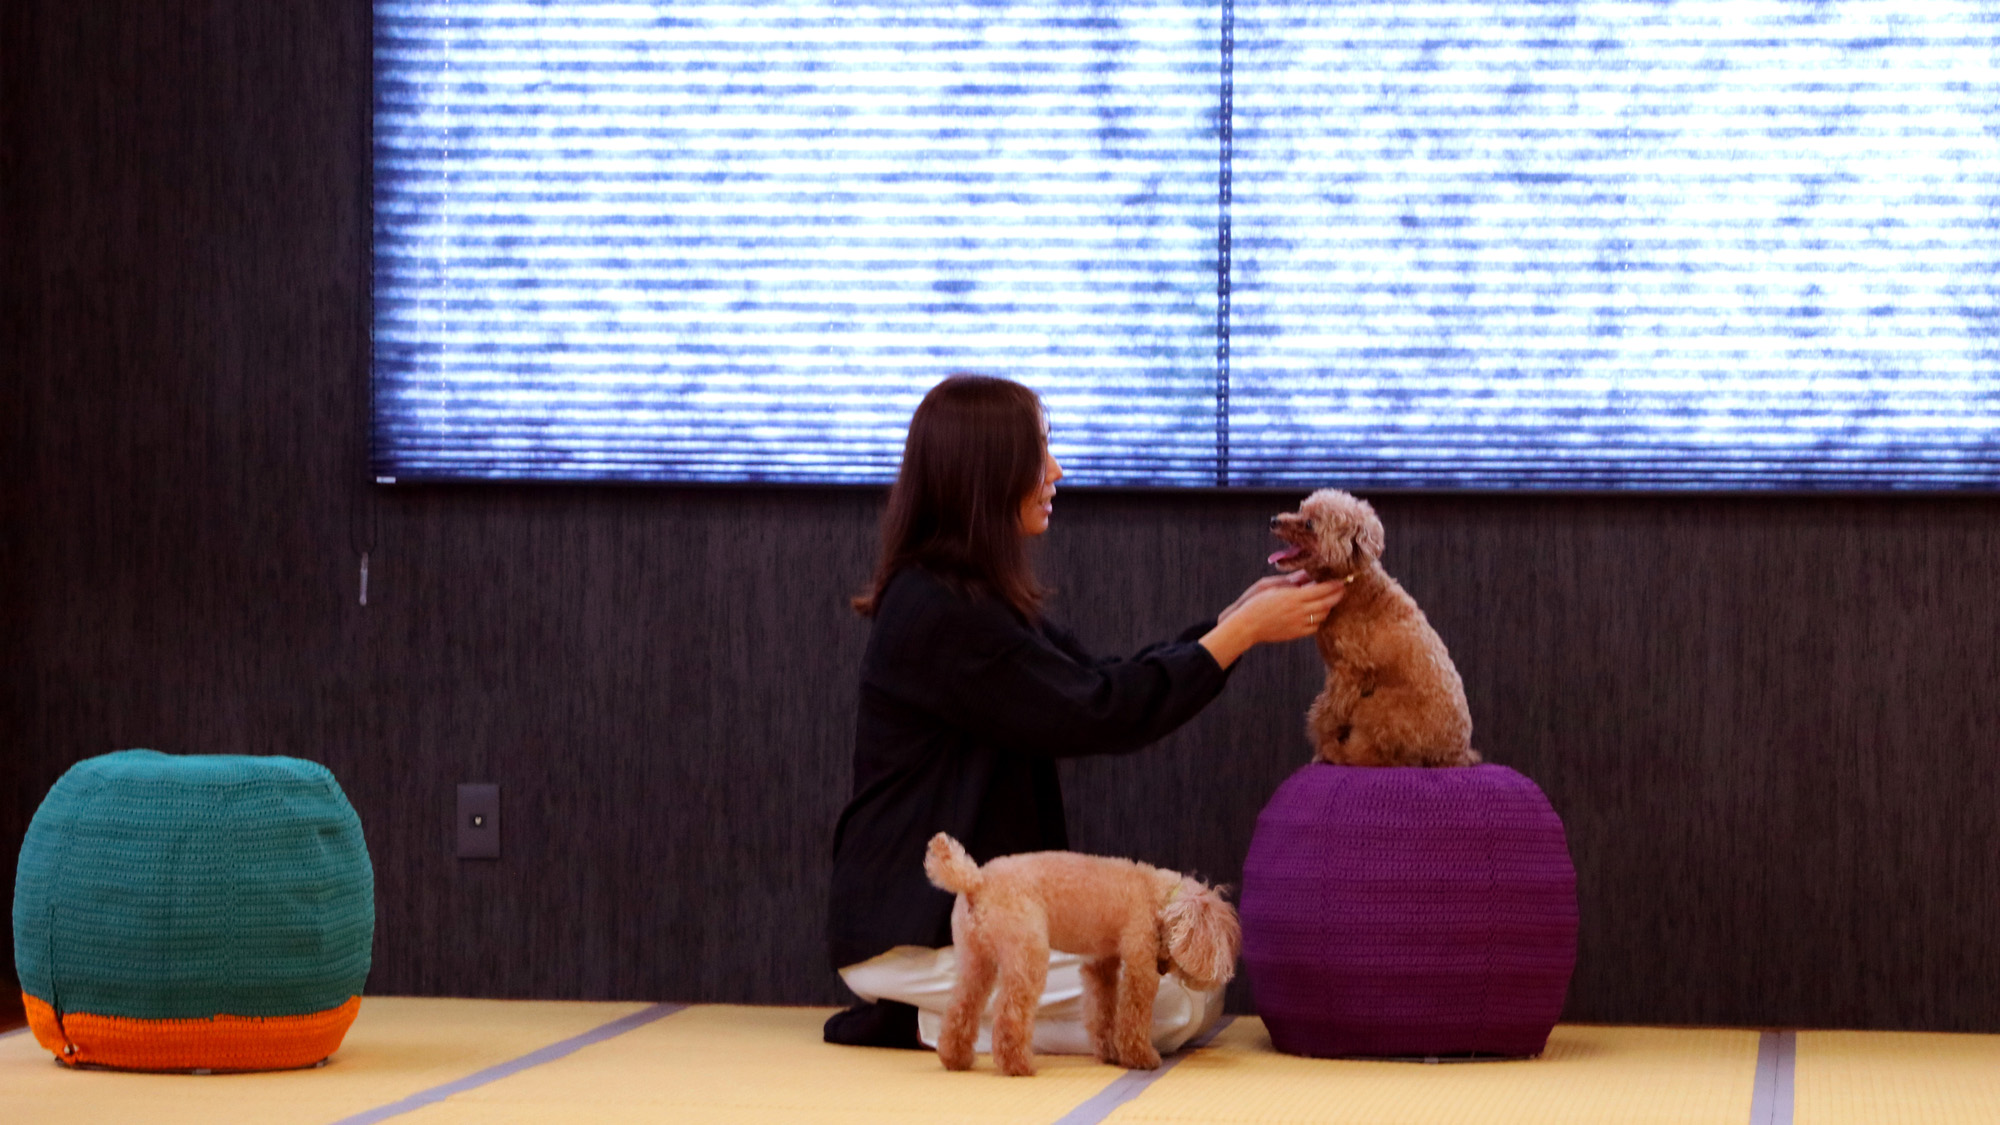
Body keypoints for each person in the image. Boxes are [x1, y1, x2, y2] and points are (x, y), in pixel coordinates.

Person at [823, 374, 1344, 1051]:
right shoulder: (940, 612)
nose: (1055, 471)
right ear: (985, 472)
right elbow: (1101, 712)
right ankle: (931, 1017)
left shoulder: (971, 597)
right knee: (1175, 1002)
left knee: (1188, 983)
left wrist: (1232, 620)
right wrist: (1239, 634)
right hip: (913, 920)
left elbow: (1099, 680)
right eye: (1039, 452)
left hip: (960, 916)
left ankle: (943, 1011)